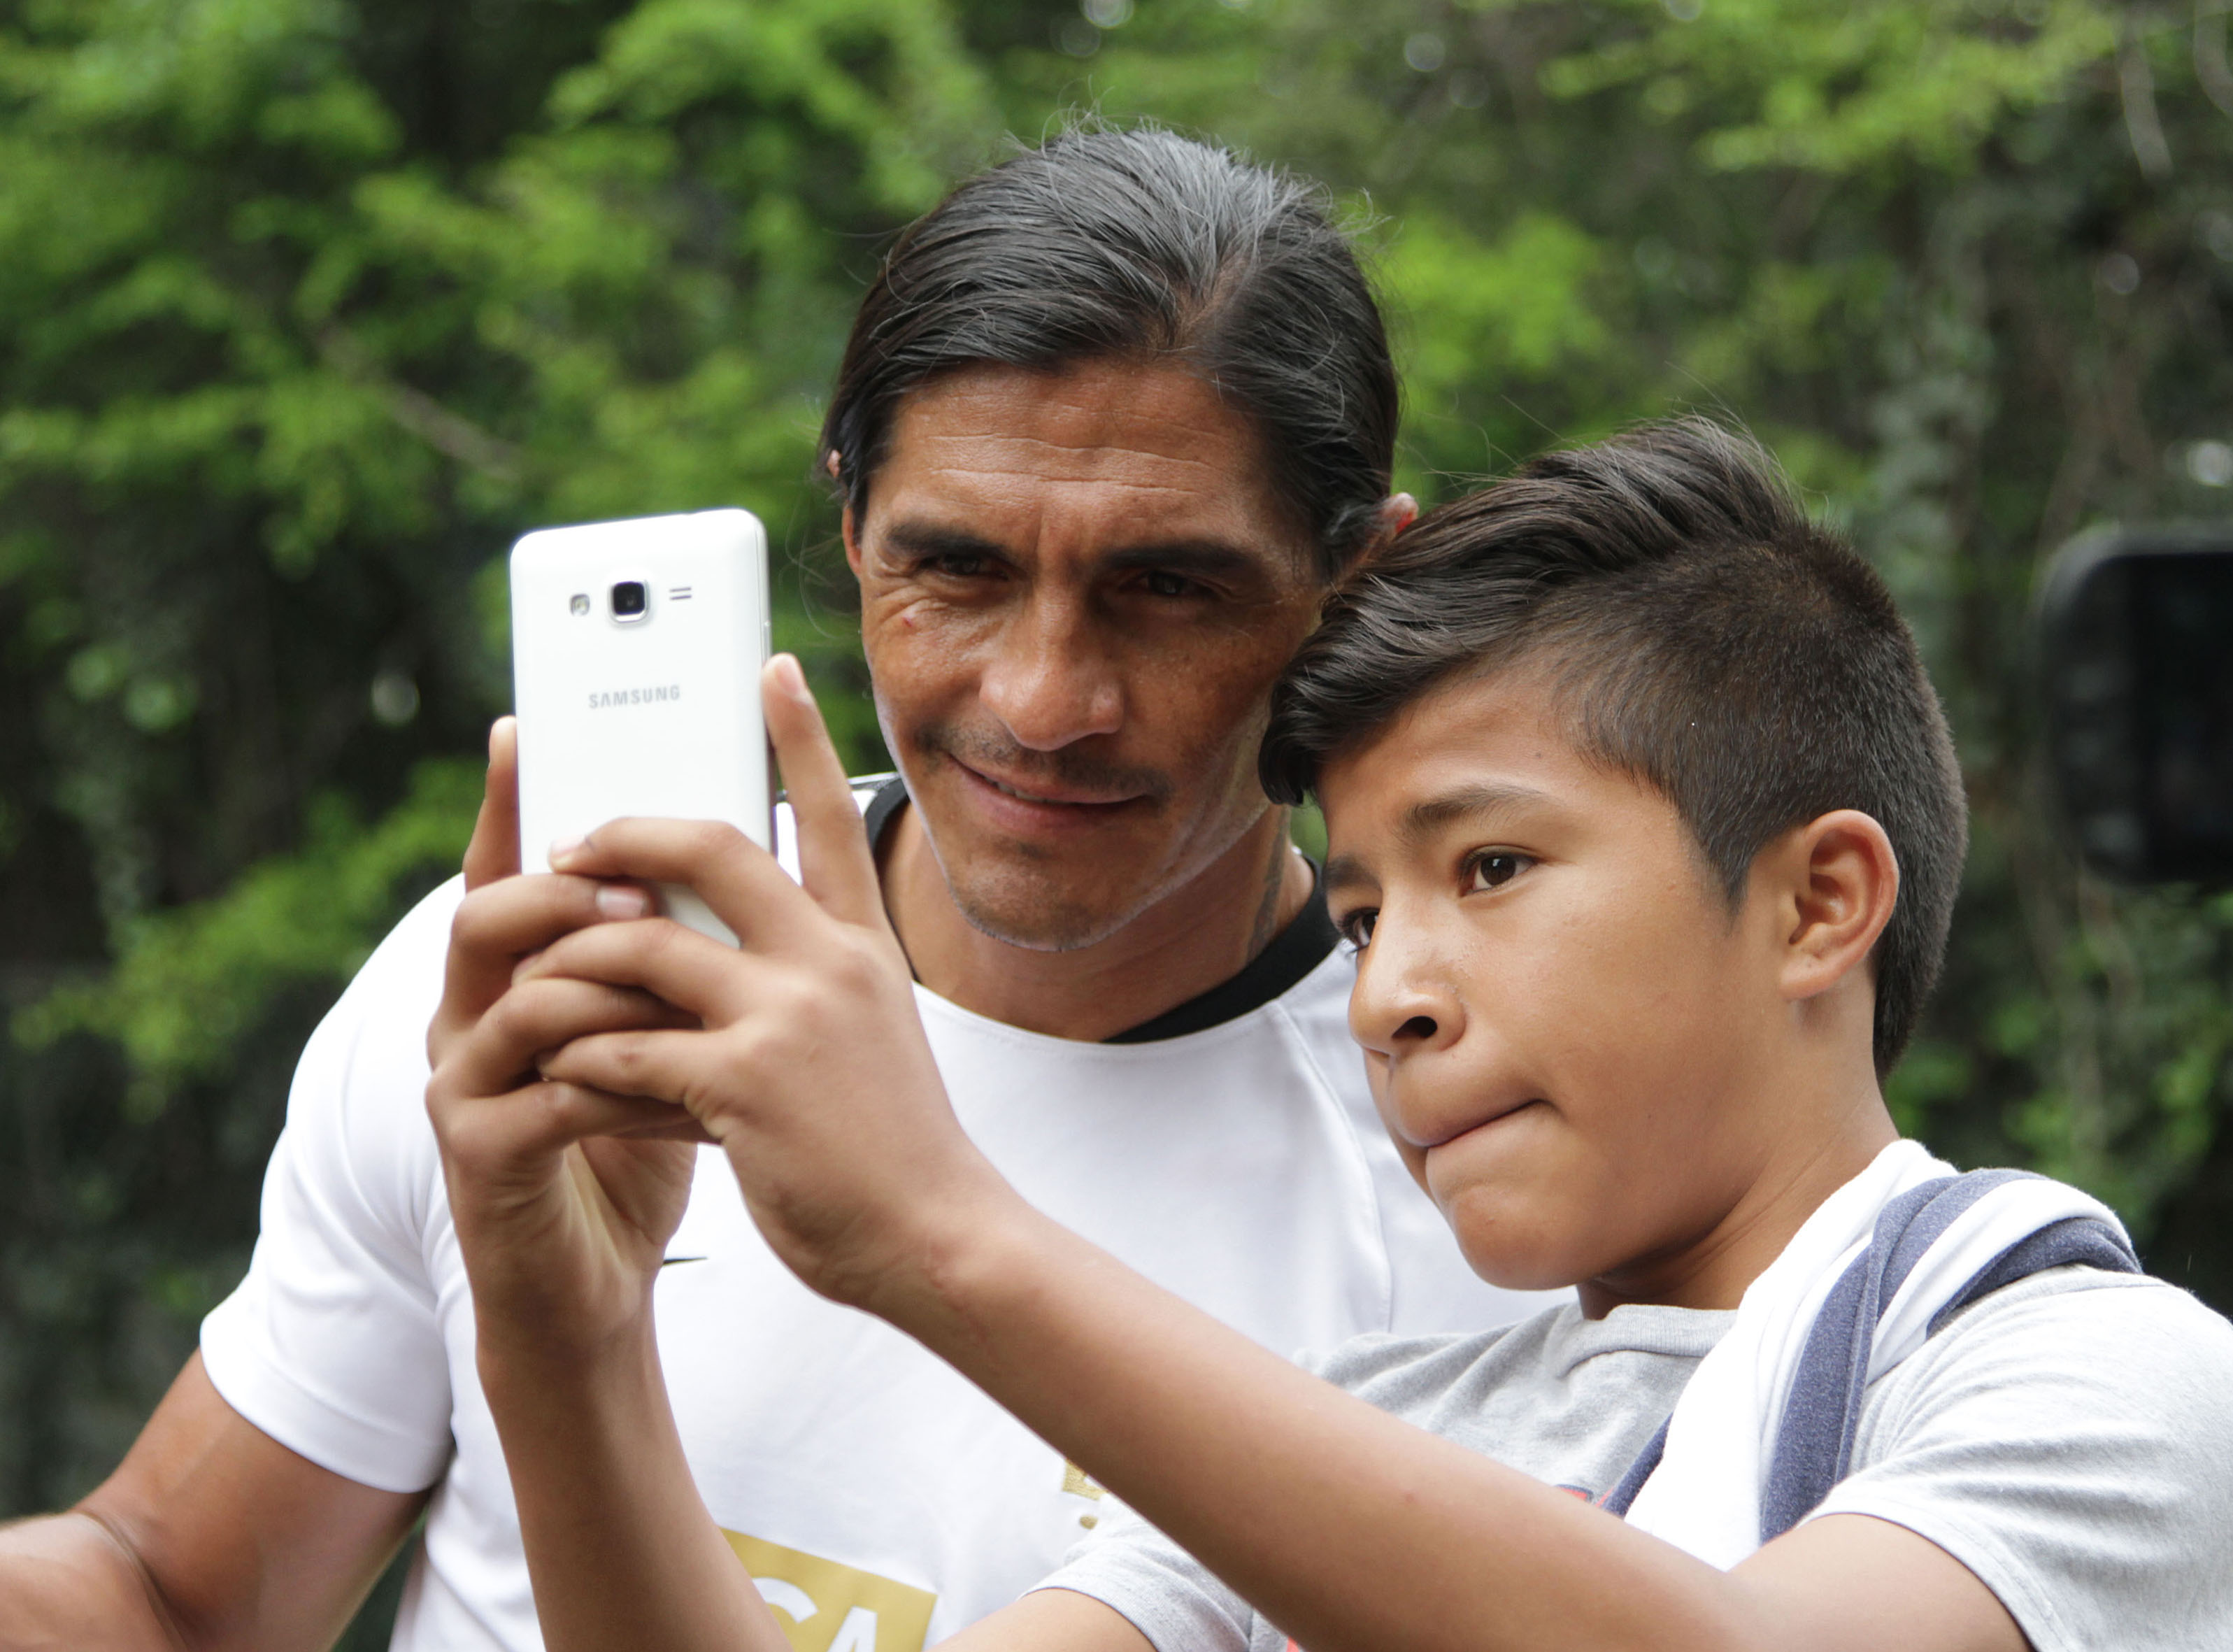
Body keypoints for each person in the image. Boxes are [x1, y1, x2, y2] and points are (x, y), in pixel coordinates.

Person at [0, 129, 1548, 1652]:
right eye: (955, 568)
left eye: (1166, 586)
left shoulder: (1476, 1168)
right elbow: (167, 1585)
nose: (1041, 697)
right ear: (850, 522)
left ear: (1351, 582)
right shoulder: (531, 988)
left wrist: (578, 1337)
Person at [436, 420, 2233, 1652]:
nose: (1390, 990)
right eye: (1359, 911)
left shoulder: (2083, 1380)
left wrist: (937, 1231)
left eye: (1491, 864)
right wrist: (566, 1327)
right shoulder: (1380, 1430)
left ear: (1820, 902)